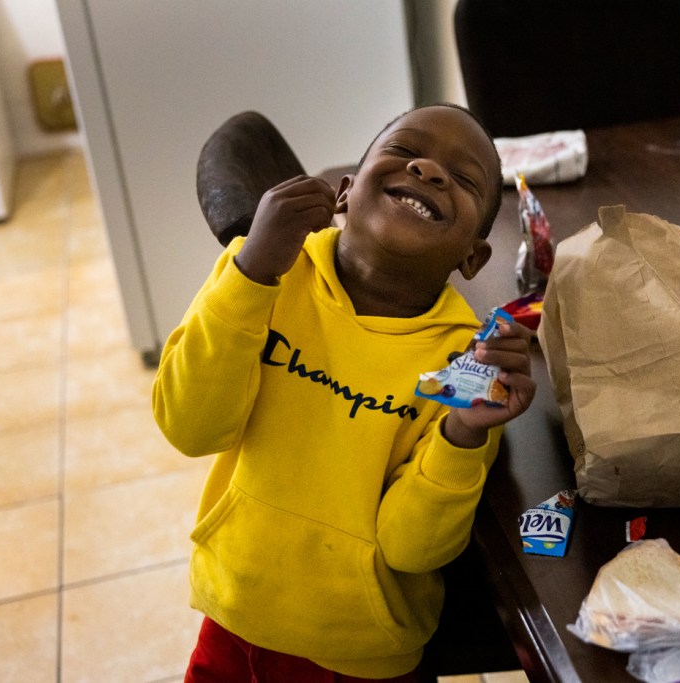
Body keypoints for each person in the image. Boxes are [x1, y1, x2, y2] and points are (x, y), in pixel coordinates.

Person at [152, 103, 537, 682]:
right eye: (404, 151)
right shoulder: (260, 273)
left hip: (364, 657)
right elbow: (189, 427)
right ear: (344, 194)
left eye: (462, 178)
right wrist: (251, 272)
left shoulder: (465, 367)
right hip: (233, 617)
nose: (428, 170)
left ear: (473, 258)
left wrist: (462, 433)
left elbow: (412, 549)